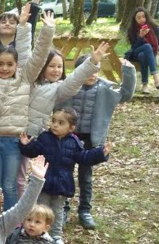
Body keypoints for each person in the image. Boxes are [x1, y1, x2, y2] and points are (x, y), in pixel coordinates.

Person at [0, 8, 55, 210]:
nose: (4, 68)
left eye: (9, 64)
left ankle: (11, 227)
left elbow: (40, 54)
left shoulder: (25, 77)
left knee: (10, 186)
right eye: (0, 63)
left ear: (17, 65)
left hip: (13, 141)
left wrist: (48, 30)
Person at [57, 56, 136, 230]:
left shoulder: (105, 89)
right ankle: (63, 208)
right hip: (69, 138)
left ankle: (85, 210)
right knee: (64, 173)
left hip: (90, 140)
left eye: (96, 70)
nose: (92, 74)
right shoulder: (70, 88)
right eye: (89, 70)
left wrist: (128, 71)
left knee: (86, 176)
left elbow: (126, 94)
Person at [19, 109, 111, 244]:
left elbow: (84, 157)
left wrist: (100, 153)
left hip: (62, 184)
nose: (55, 125)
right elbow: (33, 151)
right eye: (54, 121)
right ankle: (36, 234)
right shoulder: (45, 137)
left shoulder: (74, 142)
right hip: (44, 182)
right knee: (40, 208)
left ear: (71, 128)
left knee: (57, 211)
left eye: (61, 123)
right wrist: (26, 145)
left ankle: (55, 236)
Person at [124, 7, 159, 93]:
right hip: (135, 54)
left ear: (147, 17)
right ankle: (155, 76)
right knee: (147, 46)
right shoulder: (133, 30)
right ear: (135, 20)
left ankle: (145, 85)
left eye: (143, 16)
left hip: (148, 54)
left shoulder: (155, 28)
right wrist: (141, 37)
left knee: (143, 55)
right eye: (138, 18)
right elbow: (133, 48)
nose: (142, 19)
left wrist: (154, 48)